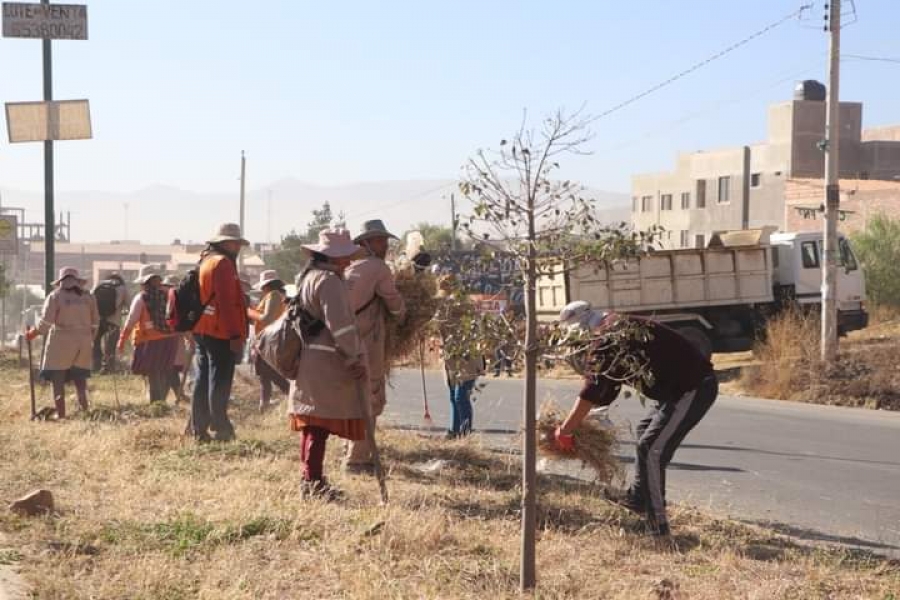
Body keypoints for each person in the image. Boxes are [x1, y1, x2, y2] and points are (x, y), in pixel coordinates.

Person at [552, 300, 718, 537]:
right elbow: (605, 389)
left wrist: (566, 430)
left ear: (583, 328)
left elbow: (592, 390)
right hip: (677, 390)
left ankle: (657, 525)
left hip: (693, 389)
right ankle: (640, 499)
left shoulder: (607, 339)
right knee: (645, 431)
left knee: (651, 449)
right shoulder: (614, 325)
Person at [289, 229, 368, 499]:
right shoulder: (330, 282)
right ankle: (312, 483)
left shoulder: (309, 277)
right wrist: (354, 356)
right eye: (345, 257)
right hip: (325, 361)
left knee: (313, 424)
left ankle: (310, 479)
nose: (348, 262)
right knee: (318, 425)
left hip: (311, 358)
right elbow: (341, 326)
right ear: (333, 257)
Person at [343, 219, 406, 474]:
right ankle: (357, 459)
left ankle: (352, 451)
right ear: (366, 243)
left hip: (345, 340)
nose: (384, 245)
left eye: (385, 240)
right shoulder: (379, 268)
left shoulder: (347, 268)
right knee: (371, 398)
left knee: (353, 397)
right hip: (368, 341)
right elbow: (392, 300)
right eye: (379, 240)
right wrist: (403, 315)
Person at [190, 223, 250, 443]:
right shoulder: (223, 264)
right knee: (220, 380)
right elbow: (226, 303)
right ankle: (221, 427)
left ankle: (198, 428)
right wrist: (235, 334)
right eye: (236, 243)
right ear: (226, 243)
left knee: (202, 378)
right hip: (221, 331)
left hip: (203, 328)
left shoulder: (205, 260)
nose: (238, 247)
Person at [26, 267, 99, 418]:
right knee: (80, 379)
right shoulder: (88, 297)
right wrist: (89, 339)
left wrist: (32, 333)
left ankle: (61, 415)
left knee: (57, 379)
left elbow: (45, 323)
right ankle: (84, 412)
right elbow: (95, 323)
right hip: (84, 342)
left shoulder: (55, 296)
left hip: (61, 342)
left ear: (61, 282)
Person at [118, 266, 180, 403]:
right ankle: (161, 402)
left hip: (150, 340)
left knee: (153, 372)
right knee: (164, 370)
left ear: (143, 282)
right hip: (171, 339)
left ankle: (156, 403)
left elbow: (131, 320)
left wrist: (121, 341)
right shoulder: (170, 294)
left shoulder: (141, 298)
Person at [246, 269, 290, 411]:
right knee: (265, 375)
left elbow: (267, 318)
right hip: (267, 340)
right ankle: (264, 404)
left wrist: (249, 311)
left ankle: (291, 395)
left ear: (266, 285)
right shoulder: (276, 295)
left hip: (269, 341)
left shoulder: (273, 295)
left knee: (269, 373)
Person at [161, 275, 193, 403]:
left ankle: (170, 397)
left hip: (172, 339)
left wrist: (189, 337)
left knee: (170, 369)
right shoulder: (165, 299)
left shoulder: (174, 300)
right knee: (170, 369)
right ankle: (177, 395)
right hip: (168, 339)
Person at [91, 273, 128, 373]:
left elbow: (91, 301)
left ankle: (95, 366)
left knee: (95, 343)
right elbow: (129, 304)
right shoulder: (122, 288)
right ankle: (108, 368)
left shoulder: (98, 285)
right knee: (110, 346)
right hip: (114, 321)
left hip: (97, 320)